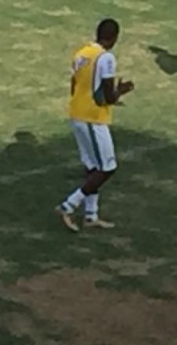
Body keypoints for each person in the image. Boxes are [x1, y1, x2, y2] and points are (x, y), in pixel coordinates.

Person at [56, 18, 133, 231]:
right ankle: (69, 205)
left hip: (77, 113)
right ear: (114, 37)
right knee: (107, 168)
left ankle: (91, 215)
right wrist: (121, 91)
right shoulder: (106, 58)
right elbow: (108, 96)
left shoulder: (82, 53)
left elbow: (75, 85)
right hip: (93, 117)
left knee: (92, 166)